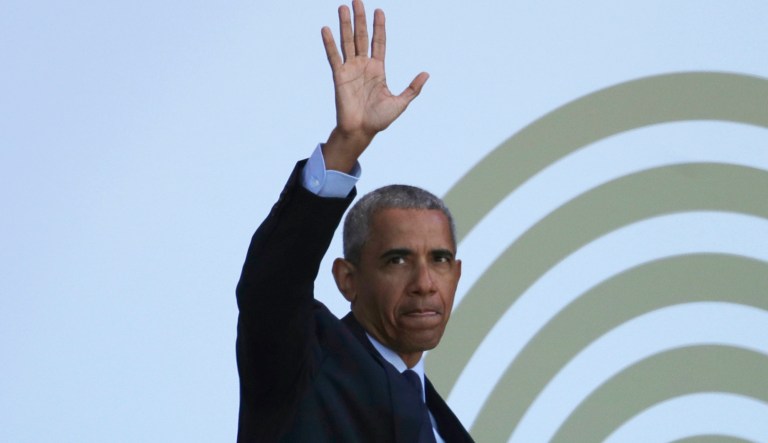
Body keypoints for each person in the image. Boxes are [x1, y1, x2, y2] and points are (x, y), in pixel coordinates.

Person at [235, 1, 474, 441]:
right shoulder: (305, 364)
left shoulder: (445, 424)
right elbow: (270, 286)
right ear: (348, 279)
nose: (425, 282)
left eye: (439, 259)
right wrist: (347, 144)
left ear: (457, 275)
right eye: (397, 260)